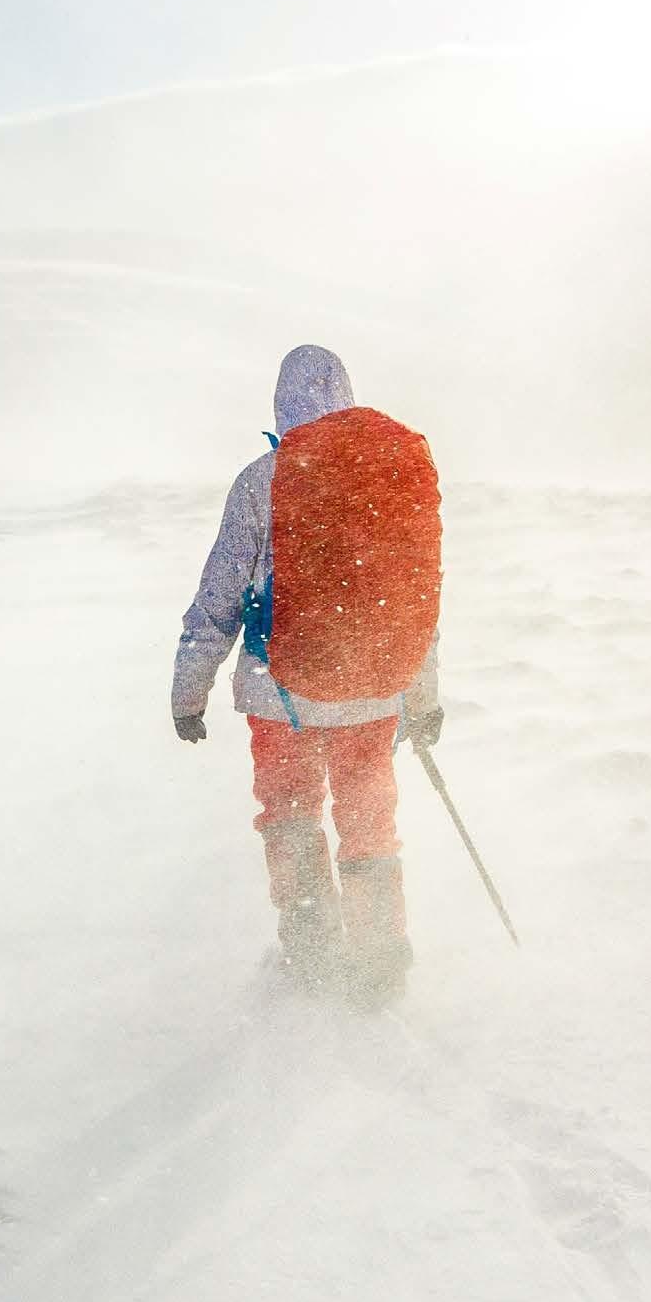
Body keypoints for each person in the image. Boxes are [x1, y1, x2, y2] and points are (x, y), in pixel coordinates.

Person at [171, 344, 442, 1002]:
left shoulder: (261, 481)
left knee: (291, 815)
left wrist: (188, 692)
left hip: (279, 695)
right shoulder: (384, 477)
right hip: (372, 694)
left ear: (280, 404)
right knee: (369, 822)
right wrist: (423, 697)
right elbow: (414, 602)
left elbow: (219, 597)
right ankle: (379, 960)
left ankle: (312, 943)